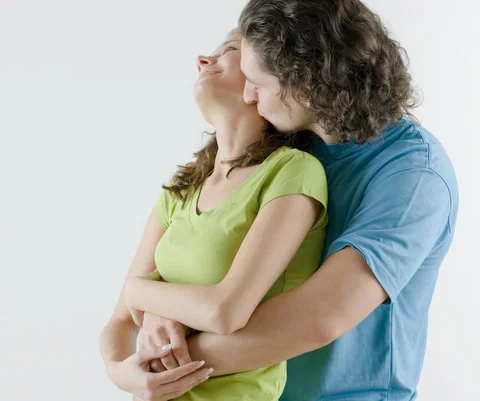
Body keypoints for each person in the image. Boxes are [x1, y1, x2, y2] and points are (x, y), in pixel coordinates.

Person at [135, 1, 459, 400]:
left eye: (257, 82)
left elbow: (319, 318)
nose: (249, 95)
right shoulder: (287, 148)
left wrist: (167, 361)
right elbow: (206, 259)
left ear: (303, 81)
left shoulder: (413, 176)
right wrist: (158, 314)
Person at [99, 29, 329, 401]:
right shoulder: (182, 187)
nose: (204, 60)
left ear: (264, 78)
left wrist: (142, 293)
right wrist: (121, 372)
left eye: (230, 50)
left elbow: (226, 312)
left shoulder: (292, 171)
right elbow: (120, 323)